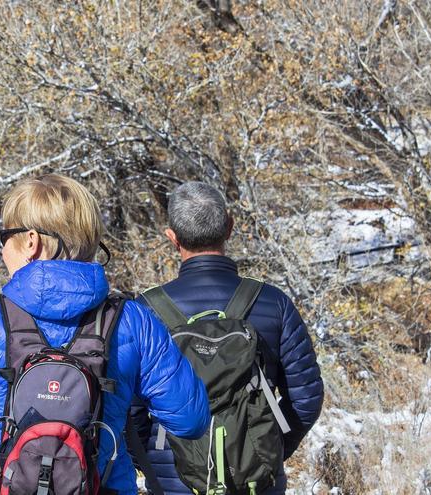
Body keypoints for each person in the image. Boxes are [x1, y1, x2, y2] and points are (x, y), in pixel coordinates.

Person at [0, 173, 211, 495]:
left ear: (31, 242)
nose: (2, 249)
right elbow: (191, 419)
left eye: (4, 236)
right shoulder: (132, 320)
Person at [134, 181, 324, 494]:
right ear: (230, 226)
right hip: (257, 481)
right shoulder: (273, 303)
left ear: (172, 237)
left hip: (174, 482)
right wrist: (268, 450)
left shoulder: (144, 311)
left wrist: (155, 460)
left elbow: (130, 407)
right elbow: (306, 397)